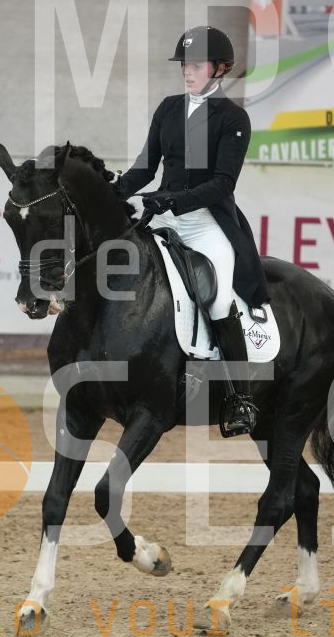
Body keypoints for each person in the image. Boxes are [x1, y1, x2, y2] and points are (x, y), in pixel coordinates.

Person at [114, 25, 270, 437]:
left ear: (219, 69)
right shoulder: (168, 108)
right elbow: (145, 168)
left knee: (217, 297)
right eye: (184, 64)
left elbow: (223, 183)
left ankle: (240, 397)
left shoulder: (233, 118)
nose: (187, 71)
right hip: (163, 216)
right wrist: (115, 192)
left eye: (196, 65)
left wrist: (171, 201)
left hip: (205, 222)